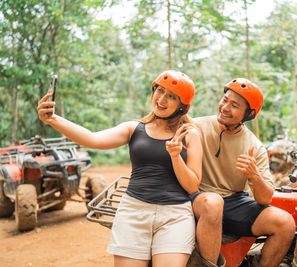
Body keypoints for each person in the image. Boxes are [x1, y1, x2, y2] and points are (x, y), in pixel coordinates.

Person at [37, 70, 203, 267]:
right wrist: (53, 119)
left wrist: (176, 157)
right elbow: (93, 139)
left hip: (174, 215)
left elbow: (193, 186)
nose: (161, 99)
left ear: (182, 106)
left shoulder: (190, 134)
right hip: (134, 211)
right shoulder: (134, 128)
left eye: (171, 96)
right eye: (159, 90)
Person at [191, 78, 296, 267]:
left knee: (285, 223)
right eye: (225, 100)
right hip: (198, 197)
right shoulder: (196, 126)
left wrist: (254, 176)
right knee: (213, 203)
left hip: (233, 201)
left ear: (248, 114)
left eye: (234, 105)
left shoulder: (254, 146)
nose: (225, 107)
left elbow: (264, 199)